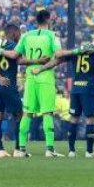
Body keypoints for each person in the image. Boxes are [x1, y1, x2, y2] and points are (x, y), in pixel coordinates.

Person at [36, 38, 94, 158]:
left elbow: (56, 61)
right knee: (90, 120)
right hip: (88, 90)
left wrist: (41, 68)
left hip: (75, 90)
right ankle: (89, 151)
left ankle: (71, 151)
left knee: (74, 119)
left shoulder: (74, 53)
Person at [14, 9, 63, 158]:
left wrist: (33, 63)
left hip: (30, 78)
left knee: (27, 113)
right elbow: (59, 55)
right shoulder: (52, 36)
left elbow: (17, 58)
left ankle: (21, 149)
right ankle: (49, 149)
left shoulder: (26, 36)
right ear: (48, 20)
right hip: (46, 77)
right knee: (47, 112)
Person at [0, 23, 21, 157]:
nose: (20, 36)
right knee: (19, 114)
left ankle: (0, 150)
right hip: (8, 85)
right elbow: (18, 59)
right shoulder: (14, 45)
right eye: (19, 33)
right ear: (14, 34)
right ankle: (18, 149)